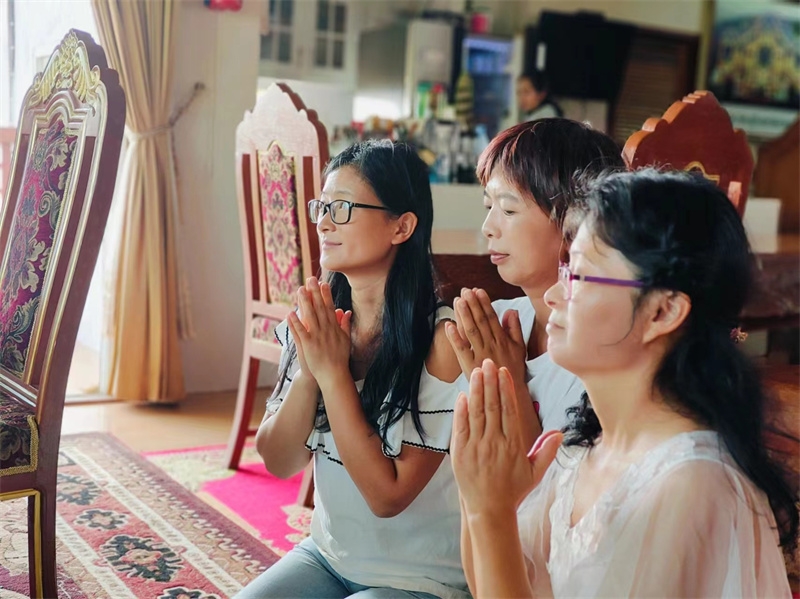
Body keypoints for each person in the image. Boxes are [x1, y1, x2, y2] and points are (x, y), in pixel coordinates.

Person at [450, 169, 797, 598]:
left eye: (579, 276)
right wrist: (478, 496)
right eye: (565, 270)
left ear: (662, 312)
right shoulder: (585, 449)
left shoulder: (690, 483)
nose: (554, 296)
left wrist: (489, 512)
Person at [236, 140, 469, 599]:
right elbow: (279, 461)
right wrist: (310, 374)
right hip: (327, 556)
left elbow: (388, 497)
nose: (324, 222)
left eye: (341, 208)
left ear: (401, 226)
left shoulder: (442, 341)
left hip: (420, 579)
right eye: (321, 207)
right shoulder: (319, 322)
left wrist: (333, 374)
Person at [445, 118, 624, 451]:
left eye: (508, 210)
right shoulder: (493, 326)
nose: (488, 227)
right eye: (488, 206)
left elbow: (553, 484)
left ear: (577, 219)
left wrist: (508, 384)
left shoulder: (601, 354)